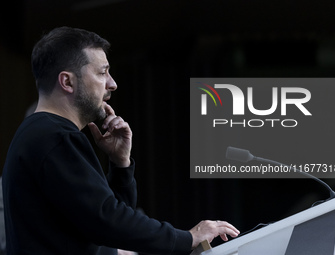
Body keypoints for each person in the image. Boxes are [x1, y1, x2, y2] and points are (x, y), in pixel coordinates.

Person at [2, 27, 239, 255]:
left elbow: (108, 221)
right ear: (67, 82)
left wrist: (120, 164)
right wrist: (187, 237)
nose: (112, 84)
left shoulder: (41, 134)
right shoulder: (54, 137)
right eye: (102, 72)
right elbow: (108, 220)